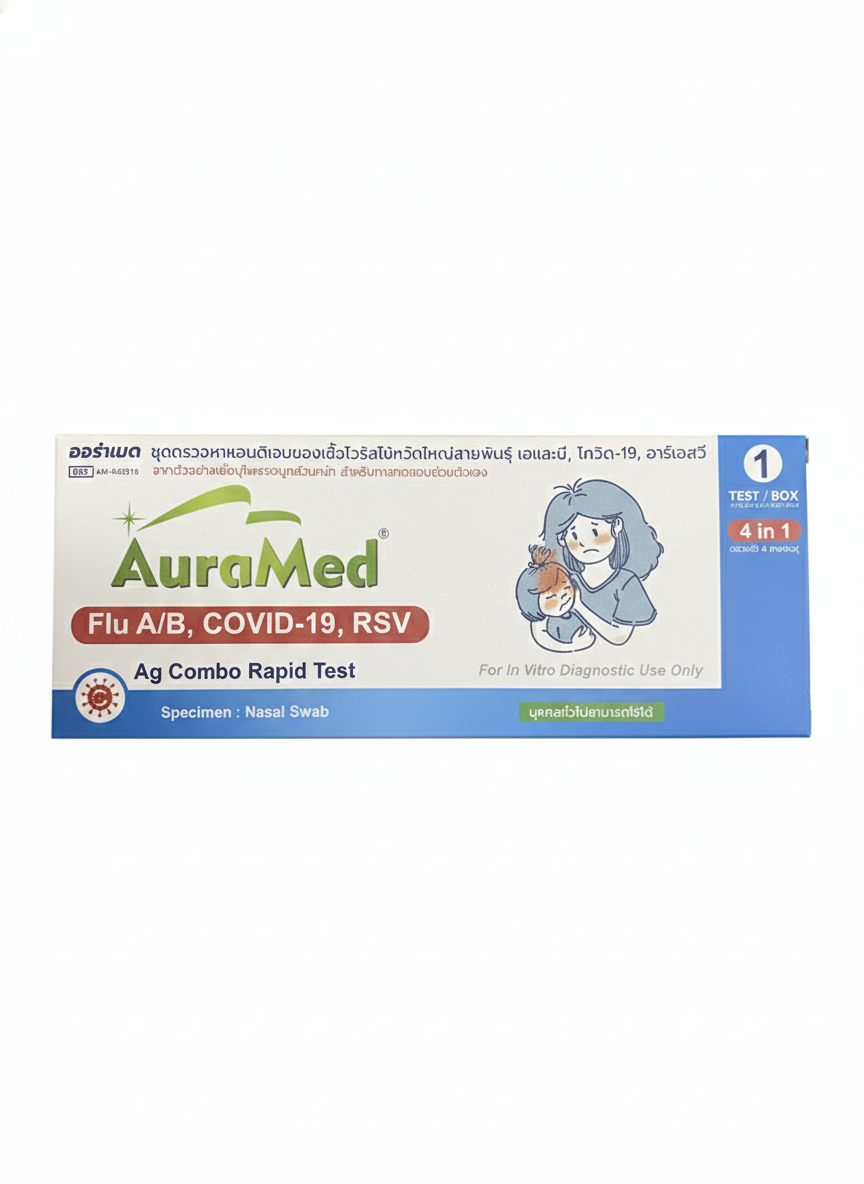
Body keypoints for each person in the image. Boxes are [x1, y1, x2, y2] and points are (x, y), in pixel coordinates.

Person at [538, 479, 663, 646]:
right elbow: (538, 623)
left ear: (616, 525)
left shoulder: (627, 583)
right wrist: (569, 648)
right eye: (574, 536)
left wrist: (579, 606)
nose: (585, 543)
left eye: (595, 531)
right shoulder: (564, 578)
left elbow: (619, 637)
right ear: (562, 540)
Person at [515, 546, 596, 653]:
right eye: (552, 597)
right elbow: (542, 639)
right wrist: (574, 645)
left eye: (566, 588)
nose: (563, 597)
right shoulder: (547, 624)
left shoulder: (581, 606)